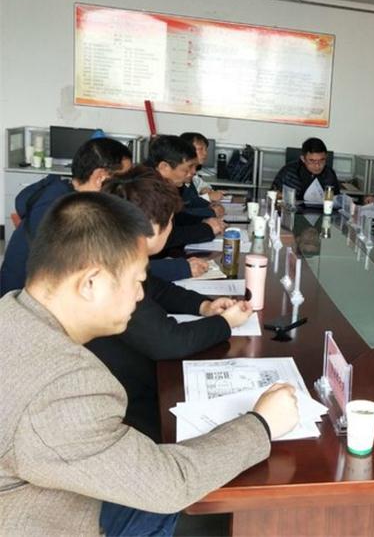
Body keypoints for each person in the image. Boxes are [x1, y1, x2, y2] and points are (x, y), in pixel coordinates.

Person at [0, 192, 299, 536]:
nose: (141, 295)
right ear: (91, 283)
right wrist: (261, 424)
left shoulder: (11, 311)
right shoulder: (64, 387)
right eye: (137, 282)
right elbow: (169, 485)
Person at [91, 166, 253, 441]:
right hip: (124, 405)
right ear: (154, 227)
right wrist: (225, 323)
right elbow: (169, 342)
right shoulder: (114, 273)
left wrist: (204, 306)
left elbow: (158, 289)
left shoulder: (117, 250)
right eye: (170, 222)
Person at [0, 137, 132, 295]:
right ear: (100, 177)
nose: (127, 186)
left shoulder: (58, 190)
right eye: (124, 179)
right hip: (23, 301)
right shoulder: (70, 214)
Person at [145, 135, 224, 251]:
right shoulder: (146, 192)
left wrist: (202, 221)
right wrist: (206, 229)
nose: (193, 172)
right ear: (164, 167)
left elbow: (176, 217)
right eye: (189, 167)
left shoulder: (166, 185)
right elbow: (161, 237)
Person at [271, 137, 340, 200]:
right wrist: (278, 196)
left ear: (326, 157)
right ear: (303, 159)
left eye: (322, 160)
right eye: (312, 161)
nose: (317, 165)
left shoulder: (330, 174)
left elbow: (337, 200)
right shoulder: (288, 172)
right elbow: (272, 194)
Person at [178, 132, 225, 218]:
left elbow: (200, 184)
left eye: (206, 150)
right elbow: (183, 209)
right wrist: (208, 199)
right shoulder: (177, 178)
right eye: (200, 149)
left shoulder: (193, 175)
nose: (205, 153)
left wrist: (206, 191)